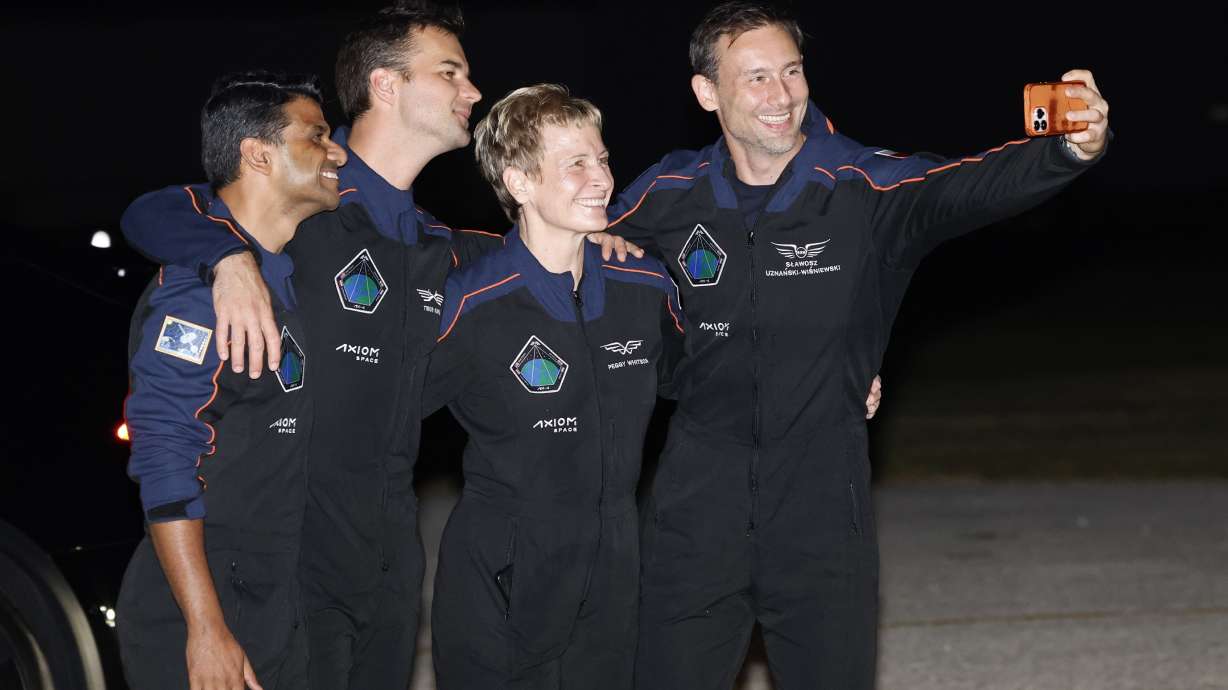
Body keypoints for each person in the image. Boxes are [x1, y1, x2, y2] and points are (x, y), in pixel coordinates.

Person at [118, 3, 639, 687]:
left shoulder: (436, 246)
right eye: (450, 72)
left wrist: (577, 229)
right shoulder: (302, 201)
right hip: (290, 562)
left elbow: (521, 260)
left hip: (389, 560)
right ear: (387, 86)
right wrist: (226, 257)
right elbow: (154, 209)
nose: (473, 92)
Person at [603, 3, 1111, 689]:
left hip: (821, 501)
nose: (781, 95)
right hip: (694, 503)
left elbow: (967, 186)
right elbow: (573, 255)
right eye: (755, 78)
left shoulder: (864, 185)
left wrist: (1068, 150)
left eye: (791, 71)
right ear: (706, 92)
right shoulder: (667, 192)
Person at [421, 84, 685, 689]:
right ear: (519, 183)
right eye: (575, 164)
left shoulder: (642, 286)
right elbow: (377, 418)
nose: (601, 178)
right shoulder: (473, 301)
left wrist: (839, 380)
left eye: (602, 158)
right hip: (504, 564)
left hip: (614, 559)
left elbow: (705, 377)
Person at [117, 72, 346, 690]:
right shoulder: (198, 298)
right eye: (317, 135)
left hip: (271, 596)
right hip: (204, 609)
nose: (337, 151)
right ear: (258, 153)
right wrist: (206, 630)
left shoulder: (282, 276)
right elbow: (164, 457)